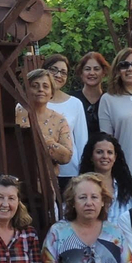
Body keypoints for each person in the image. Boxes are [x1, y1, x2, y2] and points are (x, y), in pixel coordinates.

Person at [15, 68, 75, 186]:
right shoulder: (15, 114)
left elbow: (66, 157)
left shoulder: (59, 120)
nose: (41, 90)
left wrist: (45, 141)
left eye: (45, 86)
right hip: (15, 182)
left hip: (46, 183)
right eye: (35, 86)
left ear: (52, 93)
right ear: (26, 90)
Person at [44, 54, 90, 192]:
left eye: (63, 72)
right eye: (54, 70)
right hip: (42, 171)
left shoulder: (75, 104)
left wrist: (83, 172)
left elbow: (82, 141)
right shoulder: (36, 102)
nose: (58, 75)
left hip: (70, 171)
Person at [83, 133, 132, 227]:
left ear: (115, 157)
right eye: (99, 152)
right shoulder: (80, 188)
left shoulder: (131, 187)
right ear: (91, 157)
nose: (105, 156)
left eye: (109, 152)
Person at [74, 52, 109, 139]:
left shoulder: (110, 100)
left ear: (103, 72)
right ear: (81, 73)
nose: (92, 73)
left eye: (96, 69)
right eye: (87, 69)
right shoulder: (72, 100)